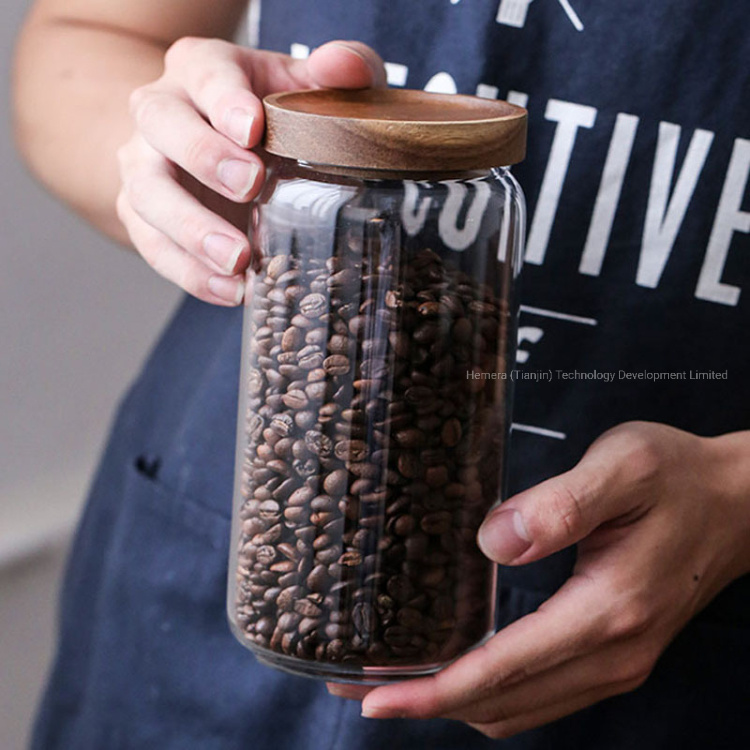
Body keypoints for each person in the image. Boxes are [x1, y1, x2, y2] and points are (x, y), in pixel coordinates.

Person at [13, 0, 750, 747]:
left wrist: (737, 497)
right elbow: (90, 33)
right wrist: (188, 162)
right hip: (226, 536)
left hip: (674, 630)